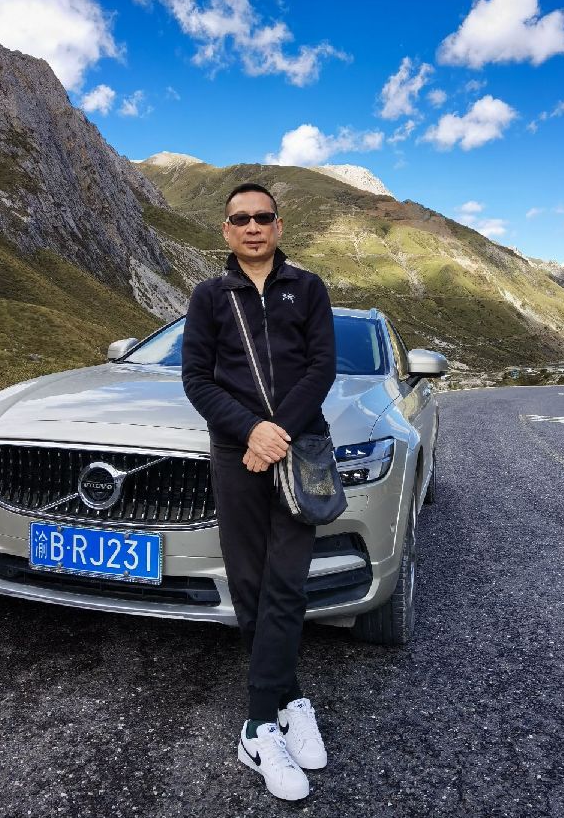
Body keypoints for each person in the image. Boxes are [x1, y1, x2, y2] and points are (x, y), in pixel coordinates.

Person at [181, 182, 337, 801]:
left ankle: (256, 723)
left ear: (278, 225)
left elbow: (321, 369)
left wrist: (276, 433)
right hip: (236, 453)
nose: (252, 227)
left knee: (287, 581)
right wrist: (250, 430)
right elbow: (197, 379)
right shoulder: (209, 296)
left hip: (299, 450)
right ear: (226, 230)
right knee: (250, 583)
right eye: (240, 219)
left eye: (262, 217)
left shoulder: (309, 288)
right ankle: (288, 698)